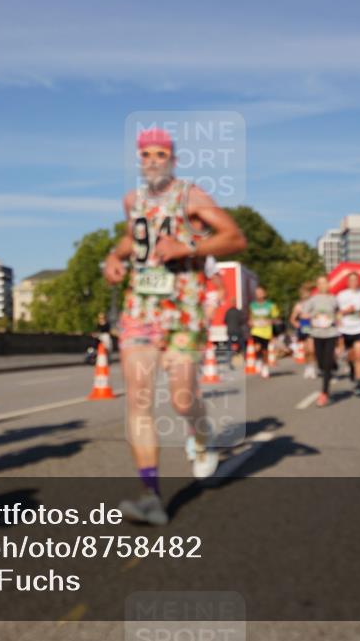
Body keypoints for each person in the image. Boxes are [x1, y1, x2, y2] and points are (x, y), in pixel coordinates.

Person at [102, 128, 246, 525]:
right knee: (139, 399)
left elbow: (234, 238)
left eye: (160, 153)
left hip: (183, 308)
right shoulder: (132, 200)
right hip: (141, 309)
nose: (152, 160)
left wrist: (189, 248)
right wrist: (113, 258)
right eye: (145, 154)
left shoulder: (192, 196)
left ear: (173, 159)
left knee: (183, 398)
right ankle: (151, 497)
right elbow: (134, 238)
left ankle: (201, 436)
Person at [301, 275, 339, 407]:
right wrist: (312, 318)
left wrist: (336, 319)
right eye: (320, 283)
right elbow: (303, 314)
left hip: (331, 333)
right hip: (317, 333)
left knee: (327, 364)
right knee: (321, 364)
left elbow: (338, 313)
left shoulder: (334, 299)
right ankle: (333, 365)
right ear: (317, 286)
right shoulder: (313, 300)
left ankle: (324, 393)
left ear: (328, 285)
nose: (322, 285)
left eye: (325, 283)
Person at [336, 272, 360, 395]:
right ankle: (351, 368)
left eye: (356, 280)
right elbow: (337, 313)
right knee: (351, 356)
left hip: (359, 328)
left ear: (359, 282)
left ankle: (359, 383)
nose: (354, 282)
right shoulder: (341, 295)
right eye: (351, 280)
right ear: (347, 282)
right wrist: (346, 311)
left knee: (359, 356)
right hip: (345, 329)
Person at [249, 286, 280, 378]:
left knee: (265, 351)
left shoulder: (271, 305)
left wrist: (270, 321)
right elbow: (250, 317)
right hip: (256, 331)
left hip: (266, 331)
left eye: (261, 292)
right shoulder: (252, 305)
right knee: (257, 348)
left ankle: (265, 367)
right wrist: (250, 322)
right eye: (257, 292)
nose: (259, 294)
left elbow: (277, 318)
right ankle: (258, 360)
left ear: (265, 294)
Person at [290, 284, 317, 379]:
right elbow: (292, 319)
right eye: (302, 293)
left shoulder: (313, 303)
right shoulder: (298, 305)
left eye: (306, 293)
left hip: (312, 326)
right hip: (303, 326)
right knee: (306, 350)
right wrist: (296, 323)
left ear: (309, 293)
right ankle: (307, 367)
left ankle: (312, 367)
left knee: (312, 349)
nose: (304, 295)